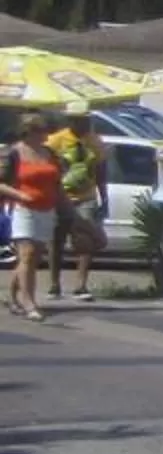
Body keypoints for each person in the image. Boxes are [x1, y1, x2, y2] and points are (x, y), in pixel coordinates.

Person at [5, 115, 65, 323]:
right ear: (28, 131)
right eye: (41, 130)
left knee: (32, 258)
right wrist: (20, 195)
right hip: (22, 208)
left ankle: (12, 295)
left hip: (46, 209)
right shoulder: (13, 153)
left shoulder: (49, 153)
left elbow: (57, 182)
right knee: (27, 254)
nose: (45, 134)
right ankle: (29, 302)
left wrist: (64, 207)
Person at [46, 118, 102, 301]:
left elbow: (100, 169)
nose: (84, 124)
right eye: (79, 120)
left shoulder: (95, 140)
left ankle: (81, 285)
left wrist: (103, 195)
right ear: (71, 121)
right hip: (61, 197)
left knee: (85, 239)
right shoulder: (56, 140)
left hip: (86, 197)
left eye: (86, 120)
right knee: (56, 240)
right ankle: (54, 284)